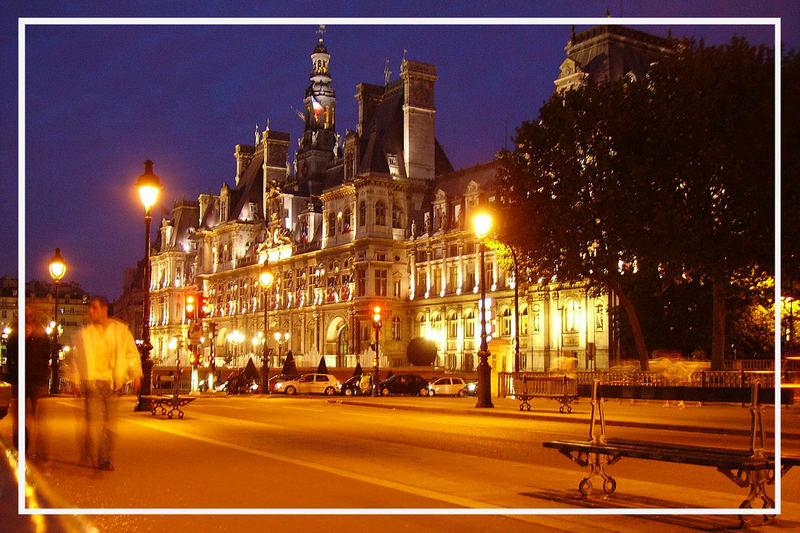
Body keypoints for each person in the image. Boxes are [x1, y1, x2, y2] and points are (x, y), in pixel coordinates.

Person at [71, 296, 142, 471]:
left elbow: (131, 353)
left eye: (94, 308)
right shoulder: (85, 334)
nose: (90, 311)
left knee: (109, 424)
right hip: (92, 383)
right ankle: (91, 448)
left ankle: (104, 457)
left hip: (112, 383)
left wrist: (136, 374)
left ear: (104, 309)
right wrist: (75, 381)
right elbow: (76, 359)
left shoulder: (120, 330)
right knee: (95, 422)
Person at [5, 308, 52, 459]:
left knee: (41, 418)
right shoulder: (15, 335)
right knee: (19, 418)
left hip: (37, 380)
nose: (28, 318)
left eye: (31, 315)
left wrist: (45, 374)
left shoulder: (41, 335)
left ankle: (41, 452)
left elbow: (47, 356)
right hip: (19, 379)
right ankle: (20, 449)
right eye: (26, 315)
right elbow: (10, 357)